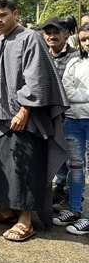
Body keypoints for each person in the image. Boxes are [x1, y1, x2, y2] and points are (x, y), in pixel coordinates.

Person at [0, 0, 69, 241]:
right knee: (3, 166)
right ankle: (7, 210)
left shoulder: (30, 39)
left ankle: (26, 220)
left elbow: (37, 78)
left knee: (25, 167)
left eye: (3, 15)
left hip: (25, 117)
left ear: (15, 14)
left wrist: (24, 110)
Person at [39, 17, 80, 210]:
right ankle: (59, 189)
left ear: (66, 34)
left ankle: (70, 195)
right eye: (48, 33)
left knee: (72, 158)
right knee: (54, 155)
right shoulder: (41, 54)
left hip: (69, 115)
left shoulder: (75, 57)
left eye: (56, 32)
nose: (52, 36)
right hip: (46, 115)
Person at [63, 24, 89, 234]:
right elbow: (66, 88)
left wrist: (79, 95)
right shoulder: (74, 61)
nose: (87, 43)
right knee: (76, 166)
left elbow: (75, 92)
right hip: (72, 119)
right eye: (83, 39)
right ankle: (74, 210)